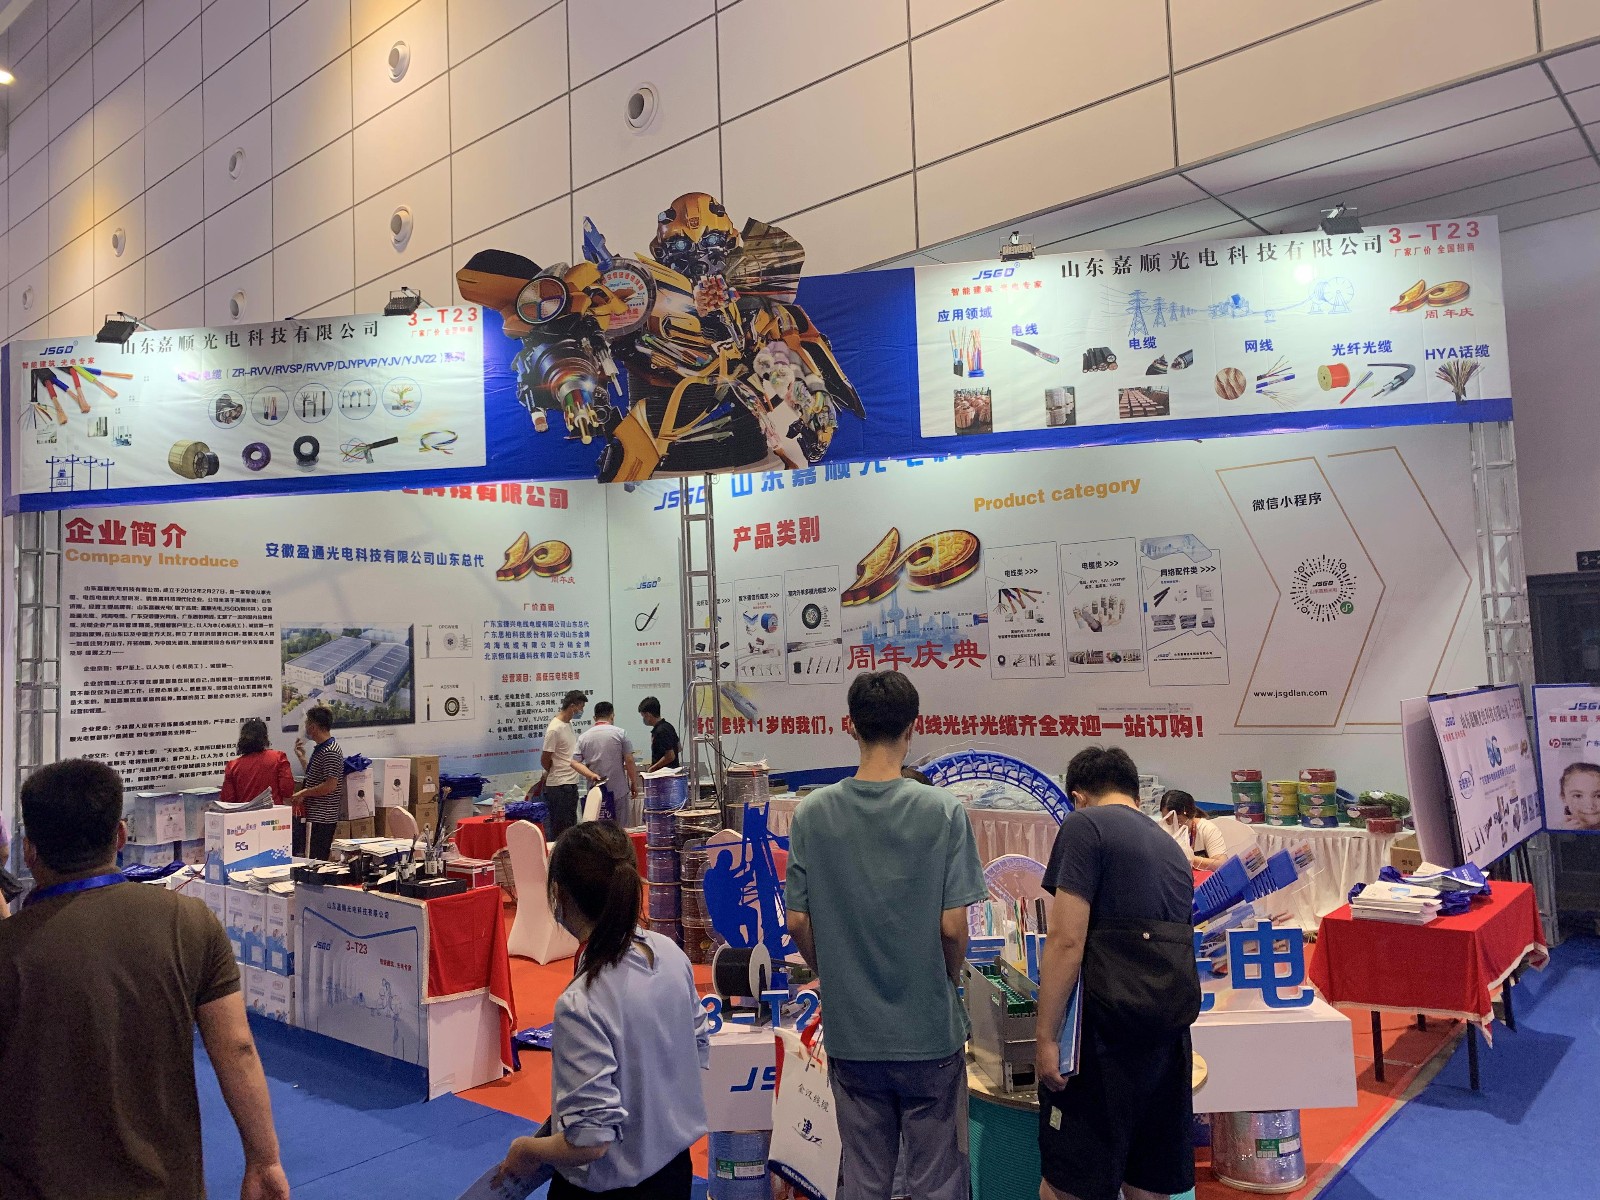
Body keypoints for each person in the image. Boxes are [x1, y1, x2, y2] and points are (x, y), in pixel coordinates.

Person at [0, 759, 289, 1200]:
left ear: (29, 850)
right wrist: (264, 1160)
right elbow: (237, 1047)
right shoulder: (188, 920)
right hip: (168, 1184)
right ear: (120, 835)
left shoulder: (10, 947)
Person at [785, 672, 986, 1200]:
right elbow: (952, 928)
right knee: (937, 1180)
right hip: (929, 1032)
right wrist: (944, 979)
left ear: (850, 727)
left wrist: (834, 973)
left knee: (864, 1179)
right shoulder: (943, 811)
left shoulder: (812, 813)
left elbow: (798, 921)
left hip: (852, 1033)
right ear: (912, 728)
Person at [495, 822, 709, 1198]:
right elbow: (700, 1048)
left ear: (558, 894)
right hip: (675, 1172)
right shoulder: (670, 953)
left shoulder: (582, 1003)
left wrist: (526, 1150)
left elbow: (590, 1142)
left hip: (609, 1188)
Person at [1035, 746, 1200, 1200]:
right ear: (1134, 794)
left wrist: (1046, 1038)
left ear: (1077, 796)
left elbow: (1066, 940)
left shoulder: (1084, 826)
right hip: (1167, 1042)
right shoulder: (1172, 848)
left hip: (1101, 1043)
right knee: (1147, 1185)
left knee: (1067, 1186)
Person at [542, 690, 603, 840]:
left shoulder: (568, 724)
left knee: (571, 828)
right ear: (572, 706)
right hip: (559, 786)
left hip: (570, 784)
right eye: (580, 708)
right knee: (562, 832)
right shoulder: (554, 729)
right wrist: (555, 770)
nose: (581, 711)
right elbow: (545, 759)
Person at [576, 701, 644, 825]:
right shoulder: (620, 733)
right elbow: (629, 760)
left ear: (594, 717)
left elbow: (574, 762)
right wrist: (633, 782)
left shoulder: (583, 737)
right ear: (612, 715)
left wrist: (591, 775)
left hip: (595, 792)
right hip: (618, 790)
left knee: (598, 829)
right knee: (621, 828)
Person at [293, 704, 345, 860]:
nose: (305, 728)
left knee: (314, 860)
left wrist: (304, 792)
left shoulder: (331, 751)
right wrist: (302, 758)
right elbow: (314, 776)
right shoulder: (321, 748)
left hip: (322, 818)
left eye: (307, 724)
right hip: (314, 816)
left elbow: (330, 785)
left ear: (313, 727)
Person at [222, 717, 295, 807]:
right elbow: (287, 790)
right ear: (265, 737)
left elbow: (227, 800)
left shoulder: (232, 766)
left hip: (244, 814)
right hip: (274, 813)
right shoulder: (278, 758)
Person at [1159, 789, 1227, 869]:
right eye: (1167, 820)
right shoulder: (1161, 831)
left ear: (1191, 815)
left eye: (1178, 821)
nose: (1172, 825)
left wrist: (1190, 858)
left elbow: (1221, 864)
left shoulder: (1207, 829)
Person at [638, 696, 681, 772]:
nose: (643, 719)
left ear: (648, 715)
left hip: (665, 774)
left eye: (643, 716)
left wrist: (653, 768)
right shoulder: (668, 726)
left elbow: (670, 756)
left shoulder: (660, 731)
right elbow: (679, 747)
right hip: (673, 772)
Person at [1558, 762, 1600, 830]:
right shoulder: (1554, 831)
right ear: (1563, 798)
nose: (1590, 806)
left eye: (1598, 796)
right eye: (1578, 796)